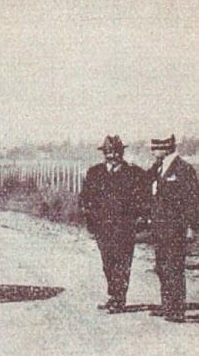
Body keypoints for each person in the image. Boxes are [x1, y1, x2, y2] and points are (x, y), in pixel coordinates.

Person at [79, 135, 147, 313]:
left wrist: (139, 219)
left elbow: (143, 199)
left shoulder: (134, 173)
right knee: (107, 262)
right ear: (104, 153)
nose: (111, 155)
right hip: (102, 227)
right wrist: (90, 221)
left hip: (124, 226)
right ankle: (113, 295)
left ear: (121, 153)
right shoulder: (94, 172)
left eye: (115, 152)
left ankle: (120, 298)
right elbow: (86, 198)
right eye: (108, 152)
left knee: (122, 263)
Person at [147, 134, 199, 322]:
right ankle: (167, 305)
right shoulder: (157, 168)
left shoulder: (183, 169)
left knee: (174, 266)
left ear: (167, 148)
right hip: (159, 227)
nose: (152, 151)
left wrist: (192, 227)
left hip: (176, 227)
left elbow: (192, 201)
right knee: (162, 266)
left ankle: (176, 309)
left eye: (156, 148)